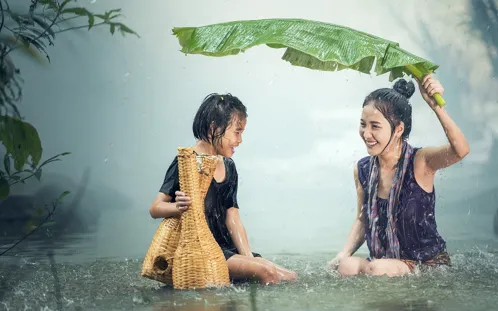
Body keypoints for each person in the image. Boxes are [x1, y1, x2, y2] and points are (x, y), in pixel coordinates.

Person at [149, 93, 298, 285]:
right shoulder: (186, 162)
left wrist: (249, 258)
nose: (240, 140)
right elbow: (155, 208)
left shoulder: (229, 166)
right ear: (214, 127)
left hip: (227, 249)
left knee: (289, 277)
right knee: (267, 272)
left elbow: (233, 218)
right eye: (237, 132)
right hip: (203, 251)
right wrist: (177, 208)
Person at [329, 75, 469, 277]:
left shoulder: (420, 162)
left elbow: (460, 150)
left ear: (398, 129)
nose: (366, 134)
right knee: (347, 266)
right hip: (384, 264)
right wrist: (343, 253)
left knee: (377, 268)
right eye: (363, 124)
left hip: (426, 265)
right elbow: (363, 219)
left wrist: (436, 106)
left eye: (375, 126)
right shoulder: (363, 169)